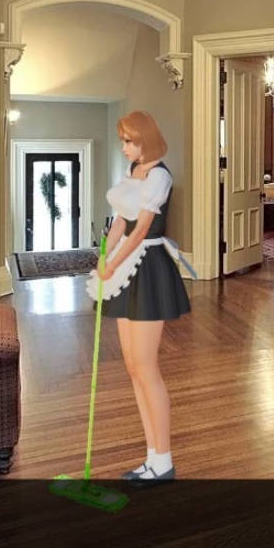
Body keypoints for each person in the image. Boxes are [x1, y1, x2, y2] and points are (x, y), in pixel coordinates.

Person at [86, 111, 191, 484]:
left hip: (148, 269)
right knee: (133, 367)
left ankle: (163, 461)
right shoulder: (132, 172)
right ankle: (152, 458)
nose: (124, 147)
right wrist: (103, 256)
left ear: (144, 140)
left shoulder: (160, 177)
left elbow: (142, 229)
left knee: (146, 367)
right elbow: (120, 222)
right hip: (125, 266)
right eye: (123, 141)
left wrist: (114, 264)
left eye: (128, 141)